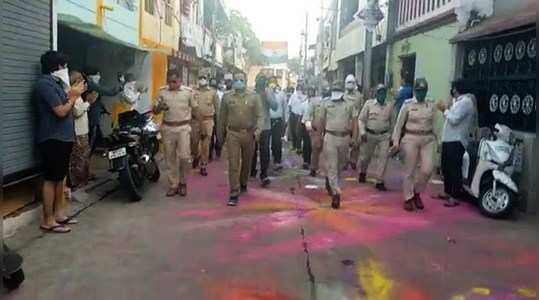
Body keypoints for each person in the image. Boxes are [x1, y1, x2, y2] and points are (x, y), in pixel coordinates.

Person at [35, 51, 86, 233]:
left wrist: (72, 94)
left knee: (60, 178)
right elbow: (61, 111)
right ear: (56, 67)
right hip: (52, 138)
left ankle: (59, 214)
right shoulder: (44, 84)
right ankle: (48, 220)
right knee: (51, 179)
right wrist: (73, 96)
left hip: (64, 137)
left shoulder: (57, 84)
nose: (65, 69)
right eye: (63, 66)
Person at [391, 78, 438, 212]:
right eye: (418, 91)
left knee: (427, 169)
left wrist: (438, 141)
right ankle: (408, 197)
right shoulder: (408, 104)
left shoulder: (431, 105)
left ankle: (417, 192)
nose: (421, 93)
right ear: (414, 91)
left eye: (423, 91)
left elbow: (435, 124)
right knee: (409, 170)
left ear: (426, 91)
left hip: (427, 139)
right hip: (411, 138)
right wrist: (395, 142)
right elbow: (399, 125)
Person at [217, 72, 262, 206]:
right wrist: (220, 137)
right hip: (233, 134)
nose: (238, 82)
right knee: (233, 163)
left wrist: (257, 132)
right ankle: (234, 192)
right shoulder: (227, 97)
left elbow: (260, 116)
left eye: (241, 80)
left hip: (249, 134)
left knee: (247, 162)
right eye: (236, 80)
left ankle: (243, 183)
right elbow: (222, 119)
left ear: (246, 81)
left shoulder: (254, 97)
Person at [154, 70, 199, 197]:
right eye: (169, 81)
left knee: (185, 157)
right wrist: (159, 107)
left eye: (174, 81)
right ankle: (173, 184)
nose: (171, 84)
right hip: (167, 128)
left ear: (180, 80)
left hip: (183, 128)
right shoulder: (162, 91)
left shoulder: (188, 93)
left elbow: (195, 110)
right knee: (170, 158)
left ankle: (183, 182)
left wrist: (197, 128)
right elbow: (155, 111)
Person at [436, 82, 477, 207]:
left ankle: (455, 196)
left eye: (453, 88)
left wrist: (444, 109)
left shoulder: (466, 102)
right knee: (446, 167)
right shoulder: (458, 102)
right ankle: (447, 192)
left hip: (457, 140)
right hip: (449, 139)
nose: (451, 91)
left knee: (454, 169)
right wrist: (446, 110)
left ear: (456, 89)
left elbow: (454, 119)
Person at [320, 80, 356, 209]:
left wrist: (354, 137)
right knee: (332, 166)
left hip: (344, 137)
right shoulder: (325, 103)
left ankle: (331, 182)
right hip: (330, 137)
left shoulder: (349, 104)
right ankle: (336, 194)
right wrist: (319, 137)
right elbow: (321, 121)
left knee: (340, 165)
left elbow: (354, 120)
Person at [357, 84, 395, 191]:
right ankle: (363, 172)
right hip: (369, 134)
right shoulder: (369, 104)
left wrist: (392, 137)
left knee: (383, 158)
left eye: (383, 93)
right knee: (365, 157)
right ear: (376, 94)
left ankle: (379, 180)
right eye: (379, 93)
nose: (381, 95)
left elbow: (393, 122)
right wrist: (362, 132)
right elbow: (360, 119)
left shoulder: (389, 106)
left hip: (384, 136)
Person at [68, 71, 97, 190]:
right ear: (76, 83)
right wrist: (88, 103)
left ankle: (84, 178)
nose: (83, 84)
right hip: (78, 132)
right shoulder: (71, 95)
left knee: (84, 155)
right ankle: (78, 181)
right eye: (81, 82)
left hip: (83, 130)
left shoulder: (78, 95)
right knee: (79, 157)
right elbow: (77, 112)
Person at [83, 67, 121, 155]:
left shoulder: (92, 85)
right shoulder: (90, 85)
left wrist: (104, 110)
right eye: (97, 74)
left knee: (96, 139)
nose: (99, 76)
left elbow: (98, 101)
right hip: (90, 119)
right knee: (90, 143)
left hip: (93, 118)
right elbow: (111, 92)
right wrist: (121, 83)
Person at [250, 75, 278, 186]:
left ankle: (264, 174)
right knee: (252, 150)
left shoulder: (268, 93)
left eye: (262, 84)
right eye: (259, 84)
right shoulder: (251, 94)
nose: (260, 86)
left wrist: (267, 96)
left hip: (265, 127)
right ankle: (251, 171)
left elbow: (275, 106)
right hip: (253, 126)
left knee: (264, 151)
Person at [194, 69, 219, 176]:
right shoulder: (193, 91)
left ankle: (203, 165)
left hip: (208, 121)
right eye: (200, 77)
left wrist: (219, 124)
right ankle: (196, 155)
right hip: (194, 121)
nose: (202, 79)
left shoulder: (213, 92)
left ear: (207, 79)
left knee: (206, 144)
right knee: (194, 143)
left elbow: (217, 109)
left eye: (204, 77)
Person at [304, 81, 330, 177]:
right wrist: (310, 130)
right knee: (315, 151)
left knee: (329, 153)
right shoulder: (314, 101)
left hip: (329, 131)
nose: (325, 91)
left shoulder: (332, 102)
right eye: (324, 89)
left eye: (327, 89)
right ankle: (313, 169)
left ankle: (328, 173)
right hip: (316, 131)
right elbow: (307, 117)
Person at [343, 74, 364, 170]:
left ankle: (353, 160)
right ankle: (344, 161)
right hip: (346, 121)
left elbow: (362, 108)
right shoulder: (342, 96)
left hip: (357, 121)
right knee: (345, 142)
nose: (350, 84)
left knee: (357, 142)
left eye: (352, 82)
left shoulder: (359, 96)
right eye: (349, 82)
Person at [269, 81, 288, 170]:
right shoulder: (265, 95)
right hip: (267, 121)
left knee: (277, 141)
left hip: (278, 121)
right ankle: (267, 159)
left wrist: (285, 121)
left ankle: (277, 160)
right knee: (265, 143)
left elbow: (285, 108)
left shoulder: (281, 94)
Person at [299, 87, 317, 170]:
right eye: (309, 92)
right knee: (306, 143)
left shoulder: (318, 104)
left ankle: (312, 162)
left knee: (313, 144)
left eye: (312, 92)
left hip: (314, 125)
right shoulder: (303, 104)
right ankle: (306, 161)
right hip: (305, 124)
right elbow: (301, 116)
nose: (311, 94)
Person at [288, 85, 307, 153]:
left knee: (298, 132)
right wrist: (290, 113)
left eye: (300, 89)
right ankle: (294, 145)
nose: (299, 90)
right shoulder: (293, 96)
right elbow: (289, 105)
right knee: (293, 131)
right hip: (293, 115)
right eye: (298, 89)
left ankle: (298, 147)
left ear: (302, 90)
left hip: (300, 116)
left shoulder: (305, 97)